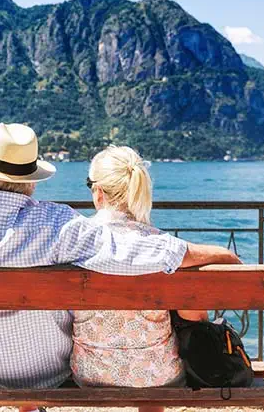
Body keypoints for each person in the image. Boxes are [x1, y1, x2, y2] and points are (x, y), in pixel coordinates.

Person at [0, 123, 241, 405]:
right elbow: (130, 253)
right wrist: (209, 253)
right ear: (32, 181)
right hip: (47, 374)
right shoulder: (57, 223)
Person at [71, 146, 206, 412]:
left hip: (89, 373)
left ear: (99, 192)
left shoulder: (73, 242)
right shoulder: (163, 246)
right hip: (158, 376)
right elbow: (196, 316)